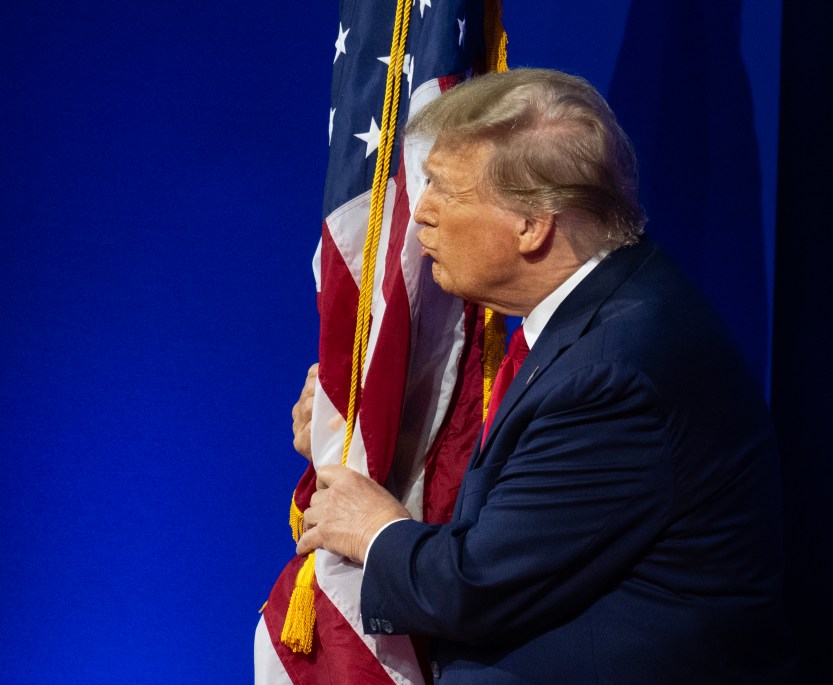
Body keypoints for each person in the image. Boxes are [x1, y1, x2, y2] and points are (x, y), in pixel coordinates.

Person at [292, 68, 794, 683]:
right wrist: (363, 435)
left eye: (445, 191)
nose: (420, 212)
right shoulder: (592, 310)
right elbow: (518, 502)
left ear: (532, 224)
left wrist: (374, 530)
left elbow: (479, 587)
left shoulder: (616, 373)